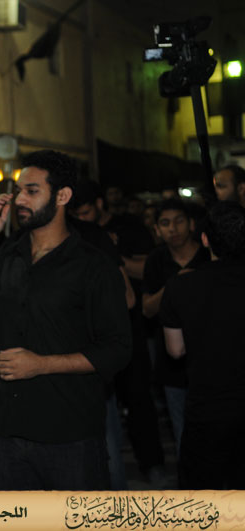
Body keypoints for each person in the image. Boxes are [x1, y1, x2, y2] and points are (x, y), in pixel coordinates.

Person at [0, 150, 131, 490]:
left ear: (62, 196)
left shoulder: (93, 266)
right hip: (5, 432)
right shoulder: (6, 256)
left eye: (32, 191)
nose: (19, 200)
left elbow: (116, 350)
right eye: (18, 191)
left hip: (69, 434)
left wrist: (42, 364)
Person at [71, 179, 166, 487]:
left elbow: (147, 271)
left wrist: (111, 253)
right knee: (105, 411)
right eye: (77, 215)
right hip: (95, 338)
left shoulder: (129, 228)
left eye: (86, 212)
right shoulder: (76, 235)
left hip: (132, 329)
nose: (82, 219)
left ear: (99, 204)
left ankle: (151, 463)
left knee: (138, 399)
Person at [160, 201, 245, 489]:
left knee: (207, 495)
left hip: (208, 409)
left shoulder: (181, 286)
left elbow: (175, 350)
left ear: (205, 239)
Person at [142, 198, 210, 455]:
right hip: (172, 361)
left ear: (191, 224)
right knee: (183, 433)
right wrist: (174, 285)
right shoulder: (156, 260)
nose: (173, 229)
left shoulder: (208, 254)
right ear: (157, 229)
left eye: (179, 221)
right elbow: (147, 308)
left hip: (211, 357)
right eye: (165, 223)